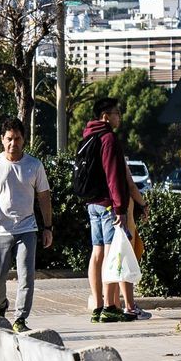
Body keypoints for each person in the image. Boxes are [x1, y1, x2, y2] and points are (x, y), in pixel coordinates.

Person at [0, 120, 53, 330]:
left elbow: (44, 197)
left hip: (27, 228)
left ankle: (20, 319)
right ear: (2, 140)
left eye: (17, 139)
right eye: (9, 139)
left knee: (27, 276)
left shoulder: (34, 165)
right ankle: (0, 305)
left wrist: (47, 227)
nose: (13, 143)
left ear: (23, 140)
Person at [71, 96, 141, 323]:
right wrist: (120, 207)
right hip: (108, 205)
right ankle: (110, 307)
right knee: (113, 256)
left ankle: (97, 305)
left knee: (97, 253)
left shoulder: (88, 136)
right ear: (105, 117)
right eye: (116, 113)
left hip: (92, 204)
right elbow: (114, 177)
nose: (118, 117)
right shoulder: (108, 139)